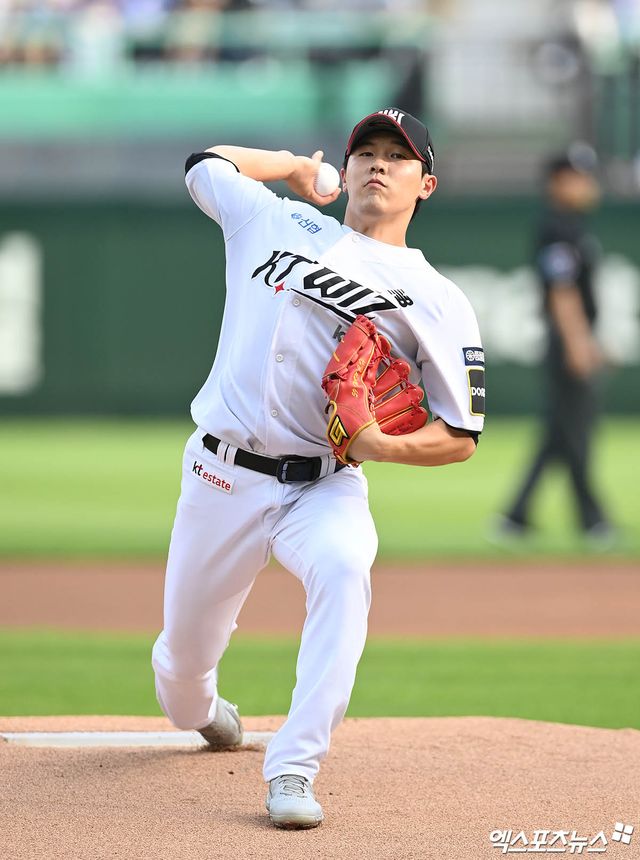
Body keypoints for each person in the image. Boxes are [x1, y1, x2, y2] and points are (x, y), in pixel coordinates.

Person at [151, 107, 485, 830]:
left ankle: (295, 767)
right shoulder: (278, 225)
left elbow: (461, 433)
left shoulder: (437, 298)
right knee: (178, 681)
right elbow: (205, 164)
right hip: (221, 477)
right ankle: (206, 708)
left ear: (425, 184)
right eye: (365, 148)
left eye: (397, 155)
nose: (376, 161)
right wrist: (293, 167)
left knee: (345, 568)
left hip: (325, 484)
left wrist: (384, 447)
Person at [498, 147, 614, 542]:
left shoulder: (573, 227)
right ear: (558, 182)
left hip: (572, 341)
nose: (587, 184)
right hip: (565, 345)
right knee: (574, 432)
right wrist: (579, 345)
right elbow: (562, 293)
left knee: (559, 434)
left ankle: (515, 517)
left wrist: (589, 341)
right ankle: (592, 520)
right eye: (579, 176)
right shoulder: (558, 228)